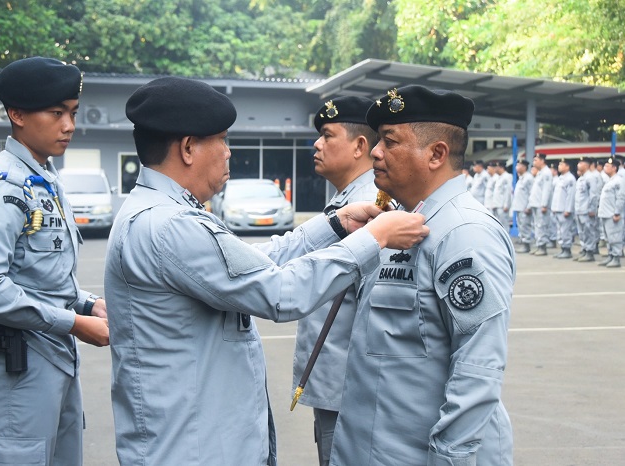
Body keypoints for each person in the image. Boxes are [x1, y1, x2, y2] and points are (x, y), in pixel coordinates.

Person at [103, 76, 428, 466]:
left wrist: (335, 226)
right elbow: (280, 292)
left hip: (197, 437)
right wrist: (373, 239)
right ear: (188, 148)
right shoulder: (171, 225)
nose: (227, 152)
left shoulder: (166, 214)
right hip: (191, 446)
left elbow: (253, 262)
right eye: (221, 139)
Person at [330, 85, 515, 465]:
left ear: (436, 154)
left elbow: (477, 366)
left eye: (390, 141)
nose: (376, 152)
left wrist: (450, 458)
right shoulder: (396, 223)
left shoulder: (464, 232)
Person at [0, 57, 110, 466]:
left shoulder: (44, 178)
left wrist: (86, 303)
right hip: (15, 370)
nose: (69, 125)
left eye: (73, 113)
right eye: (56, 112)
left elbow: (38, 273)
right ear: (17, 114)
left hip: (51, 358)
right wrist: (75, 323)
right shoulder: (2, 187)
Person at [292, 96, 378, 466]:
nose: (317, 143)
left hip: (351, 392)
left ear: (360, 146)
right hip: (333, 387)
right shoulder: (345, 202)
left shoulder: (374, 206)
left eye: (327, 135)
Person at [597, 157, 625, 268]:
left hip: (613, 214)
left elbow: (621, 198)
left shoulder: (619, 180)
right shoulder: (610, 181)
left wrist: (617, 213)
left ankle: (616, 257)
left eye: (607, 166)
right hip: (605, 213)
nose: (605, 168)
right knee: (608, 237)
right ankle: (610, 255)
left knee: (615, 237)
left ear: (614, 168)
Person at [573, 156, 600, 262]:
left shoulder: (591, 177)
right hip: (579, 210)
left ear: (586, 165)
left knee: (589, 231)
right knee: (582, 232)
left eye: (581, 163)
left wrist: (592, 209)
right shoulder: (581, 178)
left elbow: (594, 195)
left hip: (586, 210)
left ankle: (590, 252)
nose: (578, 165)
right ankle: (584, 250)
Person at [550, 158, 576, 258]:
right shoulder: (560, 178)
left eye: (562, 164)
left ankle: (567, 249)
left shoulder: (570, 178)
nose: (559, 166)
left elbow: (570, 195)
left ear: (567, 166)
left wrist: (568, 209)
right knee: (560, 231)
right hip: (558, 208)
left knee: (566, 230)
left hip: (564, 210)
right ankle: (562, 249)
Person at [528, 153, 552, 256]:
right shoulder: (540, 173)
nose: (534, 163)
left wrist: (544, 204)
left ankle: (542, 247)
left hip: (540, 205)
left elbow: (546, 190)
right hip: (535, 203)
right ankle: (539, 245)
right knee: (537, 226)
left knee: (541, 226)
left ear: (542, 161)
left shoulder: (546, 173)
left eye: (536, 160)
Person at [511, 159, 534, 253]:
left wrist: (529, 206)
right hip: (519, 207)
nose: (517, 167)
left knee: (525, 226)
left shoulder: (528, 178)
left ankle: (527, 245)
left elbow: (531, 193)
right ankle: (524, 243)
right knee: (521, 226)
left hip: (525, 208)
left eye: (519, 165)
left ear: (524, 167)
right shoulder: (521, 178)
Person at [492, 160, 513, 233]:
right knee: (498, 225)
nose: (495, 168)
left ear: (501, 167)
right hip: (497, 205)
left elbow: (508, 192)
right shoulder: (498, 177)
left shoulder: (507, 176)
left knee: (504, 225)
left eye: (496, 167)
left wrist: (506, 205)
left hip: (502, 206)